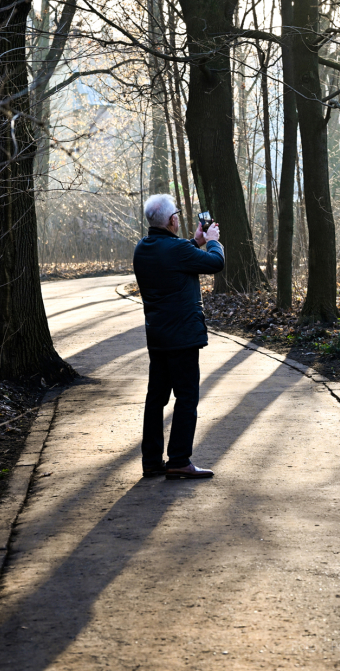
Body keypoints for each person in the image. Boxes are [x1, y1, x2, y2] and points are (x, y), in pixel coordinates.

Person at [133, 194, 224, 480]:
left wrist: (195, 241)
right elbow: (214, 263)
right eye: (178, 214)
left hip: (158, 336)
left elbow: (173, 254)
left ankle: (151, 461)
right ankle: (179, 460)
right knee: (186, 397)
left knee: (156, 398)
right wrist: (212, 241)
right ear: (173, 220)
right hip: (182, 337)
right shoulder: (176, 250)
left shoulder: (143, 249)